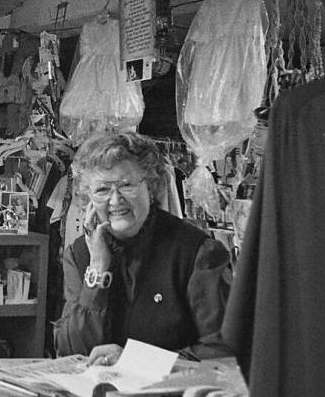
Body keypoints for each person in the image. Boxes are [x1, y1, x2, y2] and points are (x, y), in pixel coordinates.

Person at [54, 132, 234, 365]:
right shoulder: (79, 255)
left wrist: (136, 362)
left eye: (126, 185)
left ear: (150, 186)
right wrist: (98, 269)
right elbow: (72, 353)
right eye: (102, 190)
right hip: (93, 396)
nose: (115, 200)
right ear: (87, 197)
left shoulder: (198, 252)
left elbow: (223, 351)